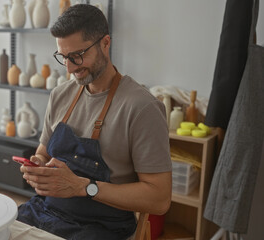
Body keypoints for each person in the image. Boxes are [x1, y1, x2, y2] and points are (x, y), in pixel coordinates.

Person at [17, 4, 172, 240]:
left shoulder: (142, 108)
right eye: (64, 57)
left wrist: (83, 186)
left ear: (106, 43)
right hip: (46, 212)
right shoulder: (60, 95)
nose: (69, 68)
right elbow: (43, 152)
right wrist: (37, 165)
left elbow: (159, 199)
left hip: (101, 227)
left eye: (77, 56)